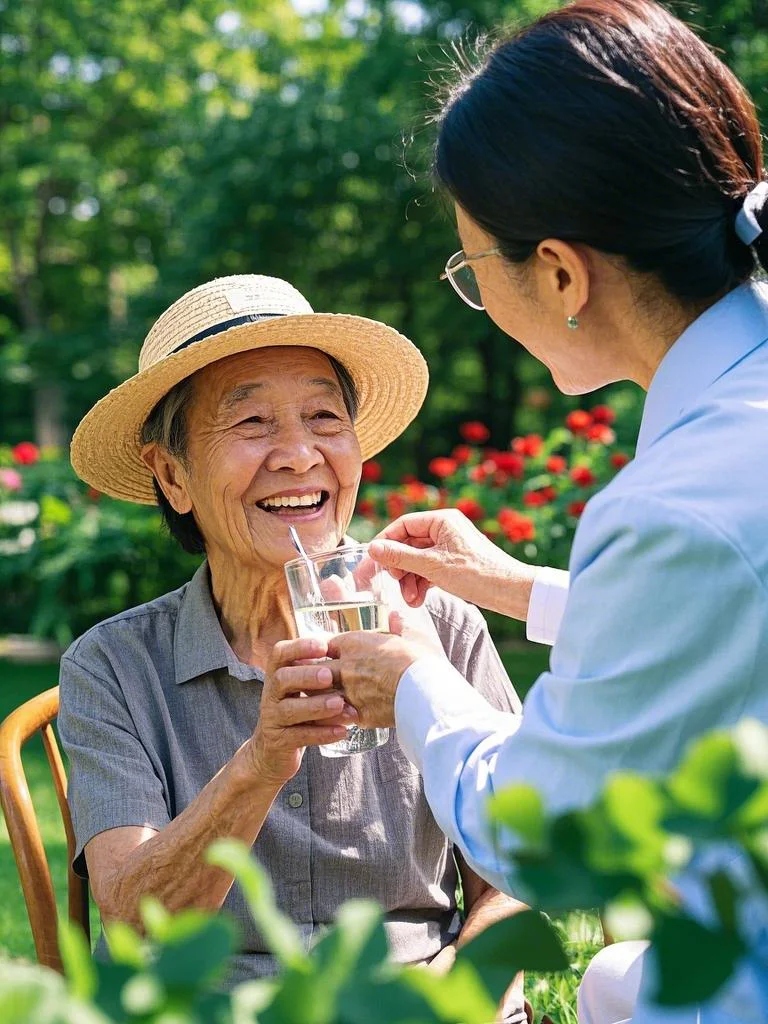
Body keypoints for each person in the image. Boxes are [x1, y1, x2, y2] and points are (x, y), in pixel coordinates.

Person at [321, 1, 768, 1021]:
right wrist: (519, 589)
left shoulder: (677, 502)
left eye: (475, 267)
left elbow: (549, 839)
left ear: (562, 273)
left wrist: (416, 680)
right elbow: (736, 610)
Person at [59, 273, 529, 1019]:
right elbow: (137, 927)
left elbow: (521, 877)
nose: (299, 454)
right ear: (172, 473)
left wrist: (457, 998)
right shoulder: (113, 670)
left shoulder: (440, 626)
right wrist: (260, 761)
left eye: (323, 416)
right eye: (251, 425)